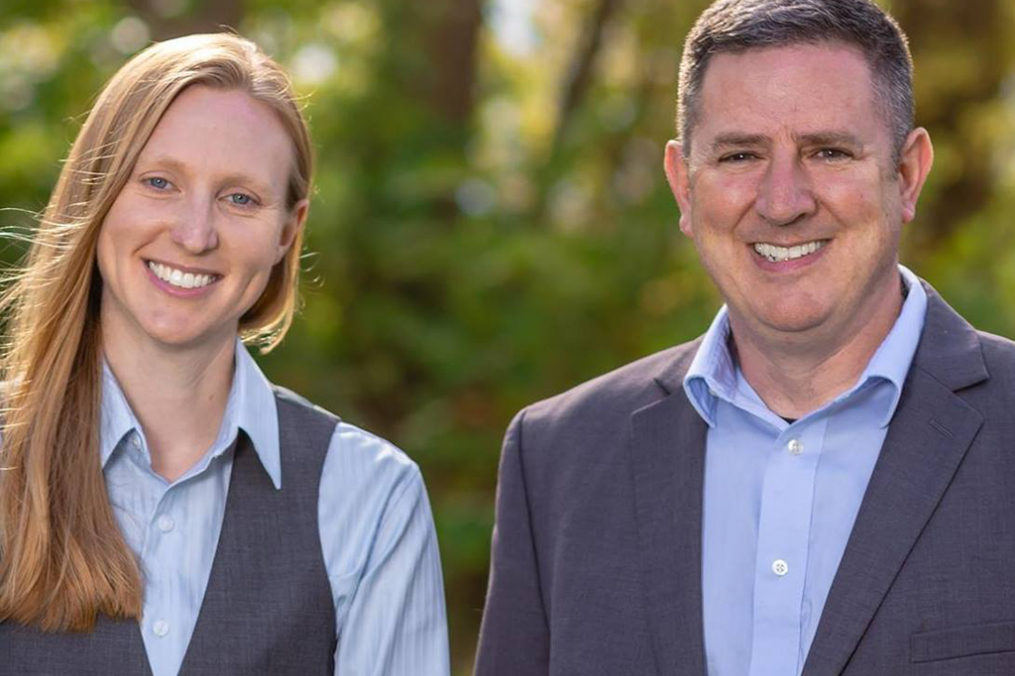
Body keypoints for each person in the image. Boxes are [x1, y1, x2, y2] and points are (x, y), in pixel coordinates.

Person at [475, 0, 1015, 674]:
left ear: (905, 175)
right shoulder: (556, 459)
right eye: (739, 155)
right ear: (682, 186)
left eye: (827, 151)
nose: (782, 201)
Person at [0, 34, 449, 676]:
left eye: (240, 198)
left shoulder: (370, 497)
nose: (195, 234)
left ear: (286, 233)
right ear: (95, 196)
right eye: (159, 182)